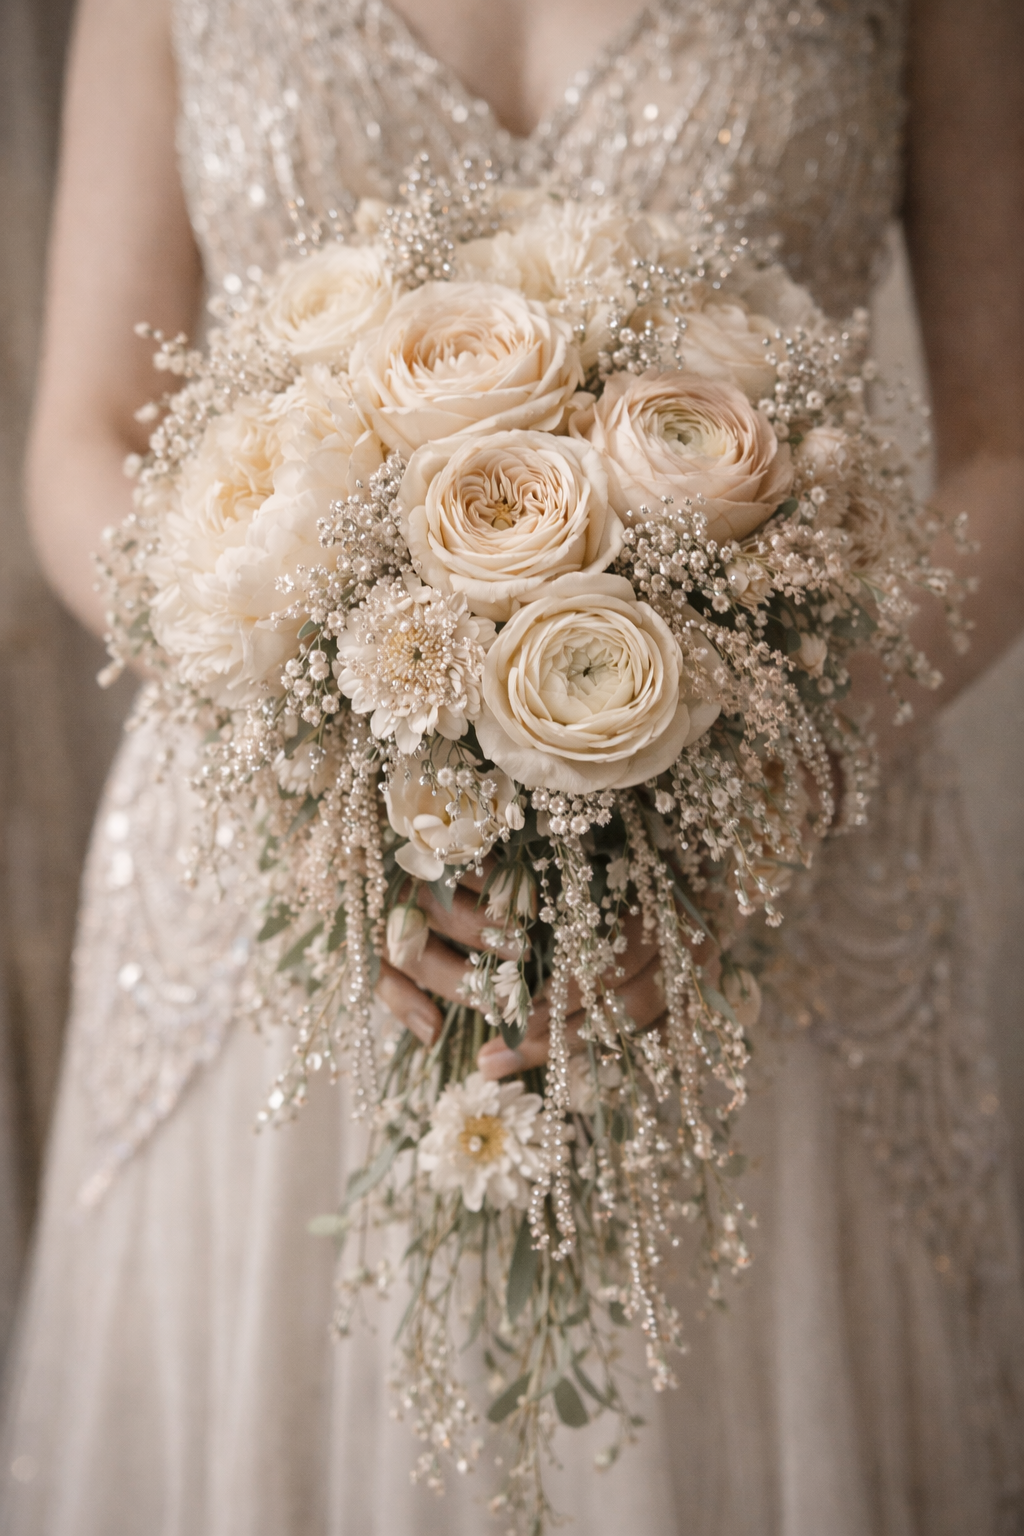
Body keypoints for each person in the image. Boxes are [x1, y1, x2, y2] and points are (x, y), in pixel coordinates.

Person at [2, 0, 1023, 1531]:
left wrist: (765, 765)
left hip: (774, 877)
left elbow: (1009, 437)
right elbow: (84, 432)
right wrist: (304, 767)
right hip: (292, 878)